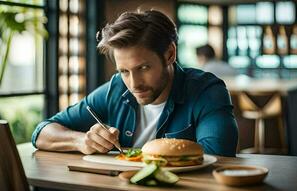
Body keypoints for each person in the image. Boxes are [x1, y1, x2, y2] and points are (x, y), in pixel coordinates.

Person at [32, 10, 238, 157]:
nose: (134, 84)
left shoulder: (207, 91)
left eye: (143, 68)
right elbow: (42, 132)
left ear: (169, 54)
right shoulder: (116, 89)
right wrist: (81, 141)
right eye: (124, 71)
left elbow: (219, 157)